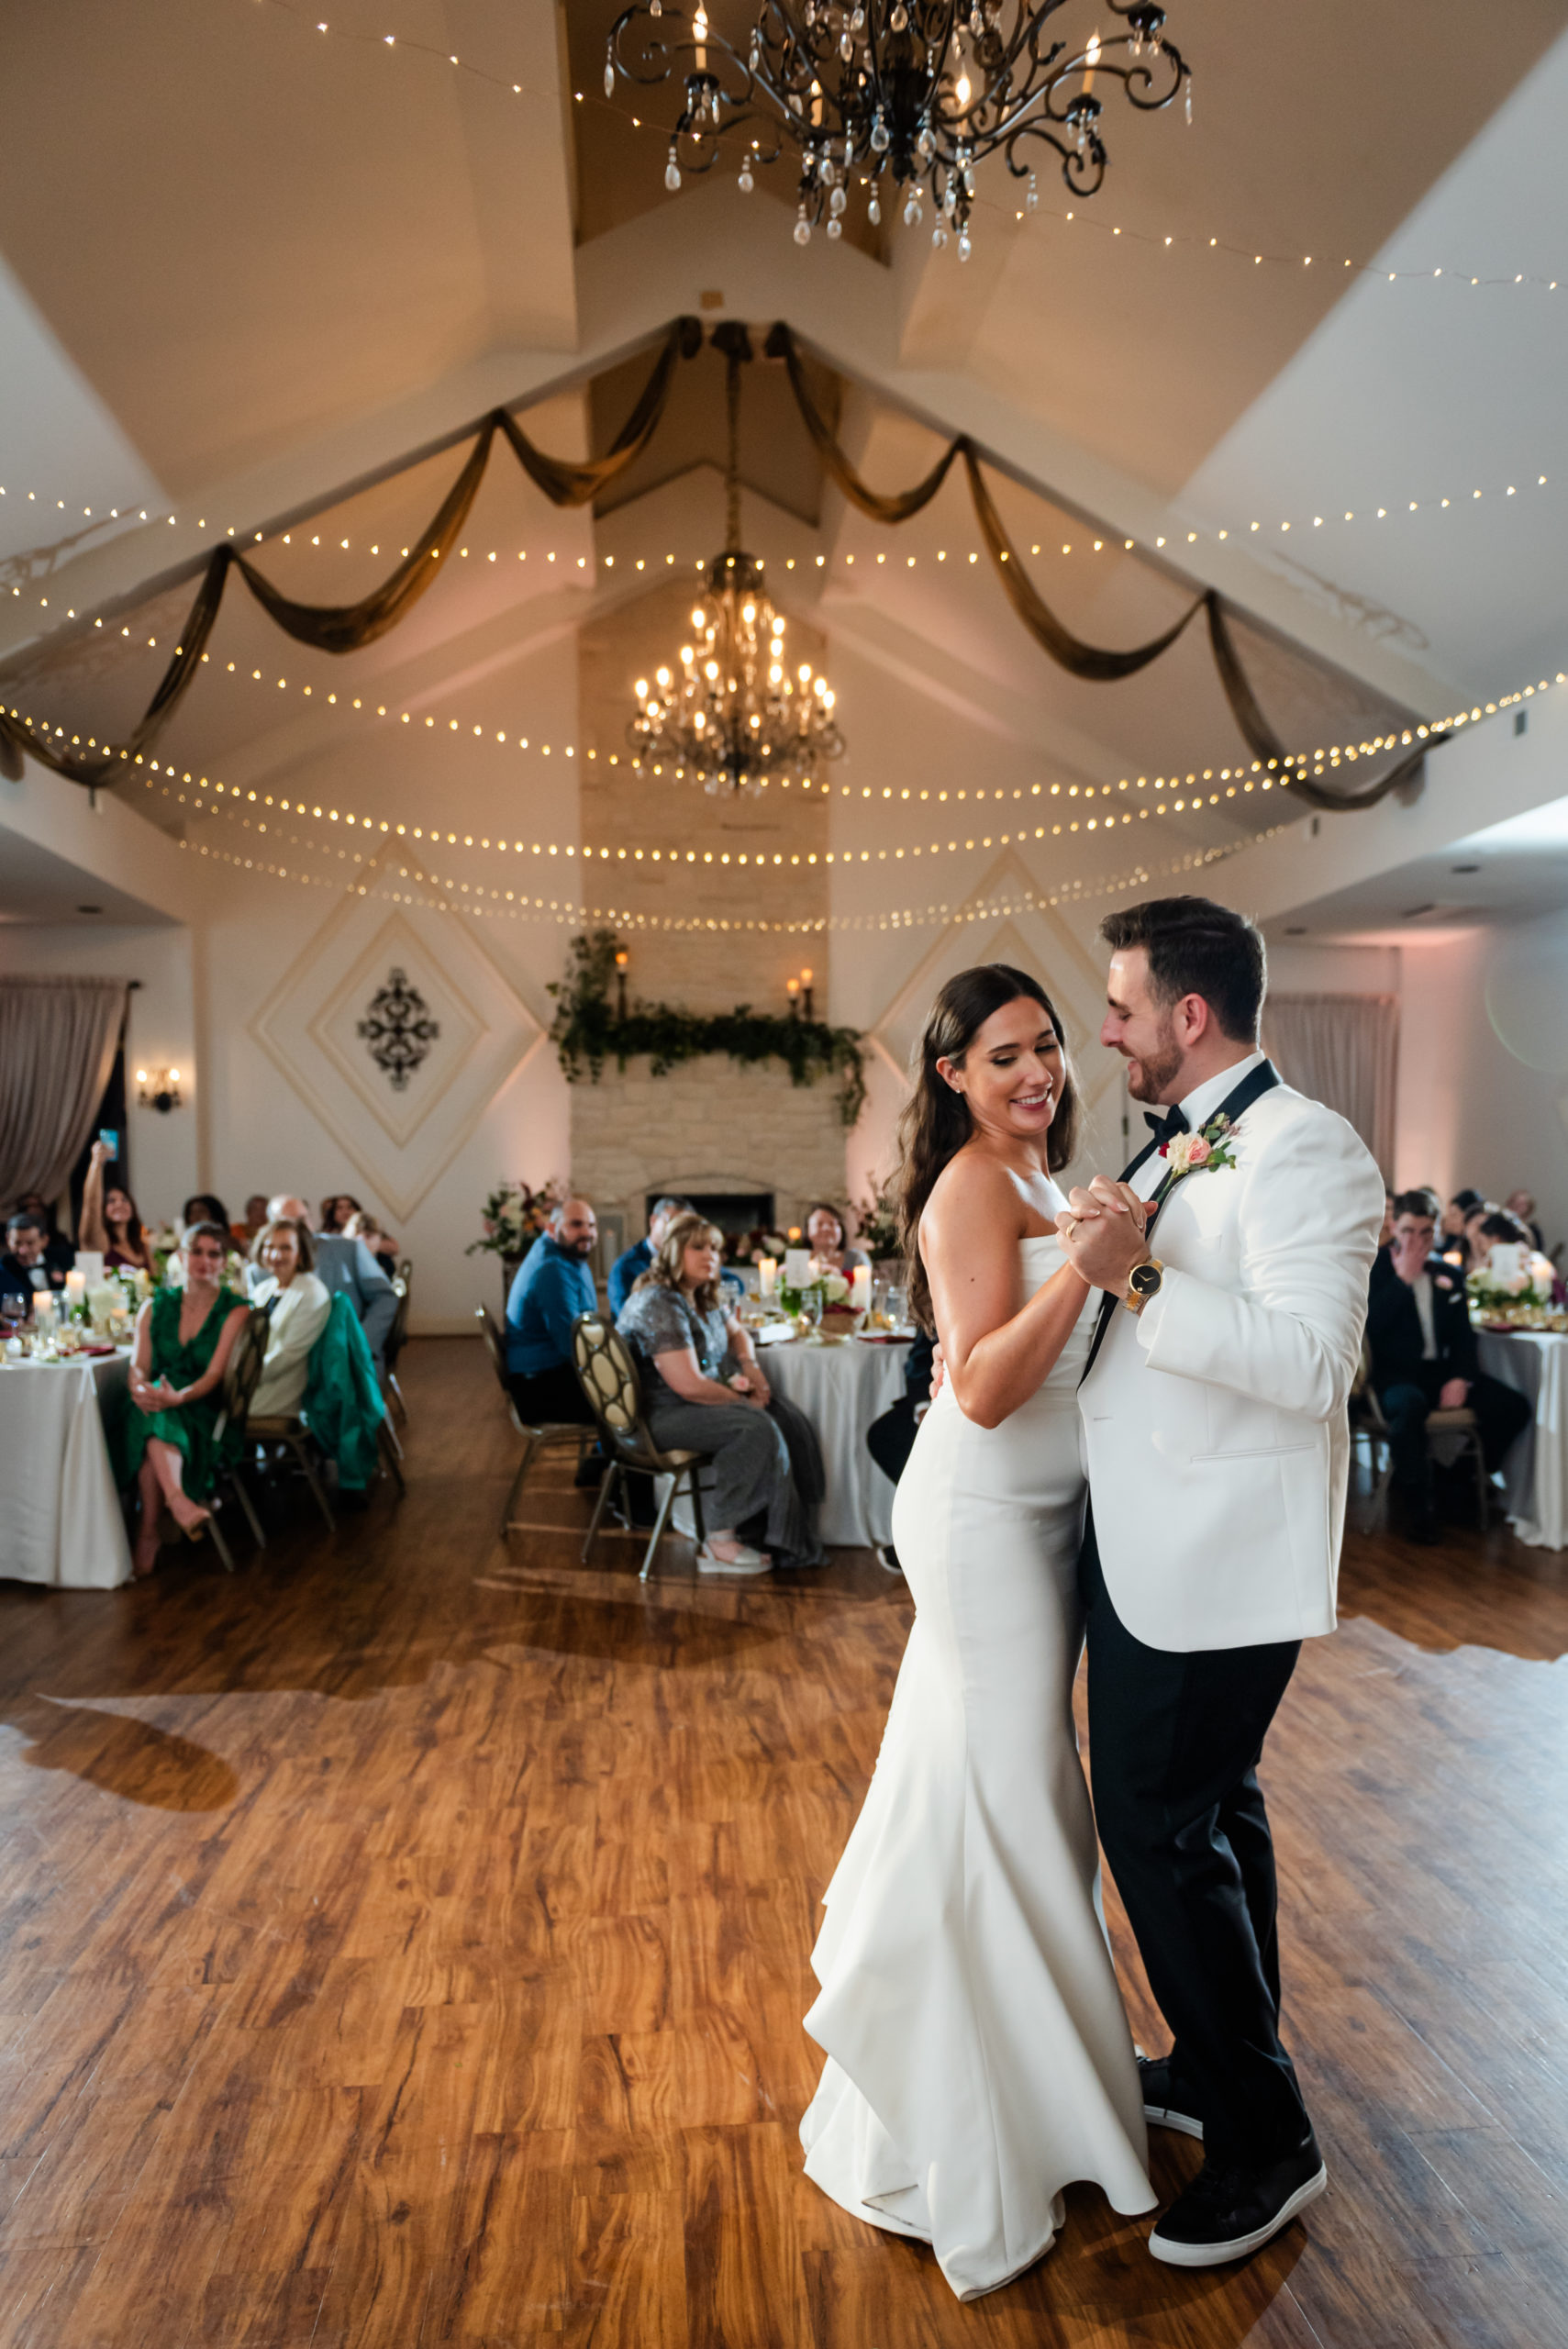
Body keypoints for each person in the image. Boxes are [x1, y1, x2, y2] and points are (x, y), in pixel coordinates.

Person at [800, 965, 1154, 2299]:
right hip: (984, 1517)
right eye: (1004, 1055)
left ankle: (1018, 2092)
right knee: (1012, 1798)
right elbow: (985, 1386)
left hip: (1045, 1523)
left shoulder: (1049, 1181)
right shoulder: (969, 1186)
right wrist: (1091, 1271)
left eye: (1049, 1048)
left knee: (1004, 1798)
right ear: (951, 1074)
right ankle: (976, 2126)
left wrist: (1105, 1250)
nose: (1035, 1073)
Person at [1051, 895, 1385, 2268]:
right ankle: (1213, 2058)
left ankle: (1268, 2139)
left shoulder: (1309, 1148)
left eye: (1122, 1006)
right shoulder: (1188, 1141)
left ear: (1191, 1015)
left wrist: (1132, 1277)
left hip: (1215, 1564)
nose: (1109, 1031)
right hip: (1145, 1542)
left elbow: (1315, 1367)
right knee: (1211, 1818)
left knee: (1159, 1831)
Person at [617, 1212, 820, 1575]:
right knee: (754, 1426)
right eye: (698, 1247)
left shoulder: (701, 1295)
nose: (710, 1255)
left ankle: (775, 1535)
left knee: (786, 1416)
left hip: (686, 1403)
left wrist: (749, 1365)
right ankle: (719, 1541)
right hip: (657, 1415)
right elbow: (689, 1384)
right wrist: (743, 1401)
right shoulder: (659, 1302)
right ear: (673, 1252)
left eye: (714, 1247)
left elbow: (738, 1332)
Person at [1366, 1192, 1532, 1543]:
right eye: (1409, 1231)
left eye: (1427, 1232)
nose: (1418, 1241)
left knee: (1512, 1407)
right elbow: (1369, 1332)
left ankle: (1455, 1482)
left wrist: (1460, 1377)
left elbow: (1463, 1338)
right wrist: (1402, 1282)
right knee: (1408, 1408)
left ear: (1437, 1231)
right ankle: (1418, 1507)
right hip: (1394, 1375)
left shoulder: (1448, 1272)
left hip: (1438, 1373)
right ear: (1395, 1227)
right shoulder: (1374, 1269)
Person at [107, 1222, 250, 1577]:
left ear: (224, 1261)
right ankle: (178, 1504)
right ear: (181, 1258)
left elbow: (215, 1376)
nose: (204, 1260)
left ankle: (149, 1531)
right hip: (155, 1399)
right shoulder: (154, 1307)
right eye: (196, 1252)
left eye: (213, 1253)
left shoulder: (236, 1311)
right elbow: (138, 1367)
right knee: (149, 1413)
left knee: (152, 1422)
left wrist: (177, 1397)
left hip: (202, 1407)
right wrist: (142, 1388)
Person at [269, 1193, 395, 1374]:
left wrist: (362, 1341)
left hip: (346, 1352)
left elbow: (385, 1298)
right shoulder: (261, 1268)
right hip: (288, 1361)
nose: (302, 1226)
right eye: (290, 1222)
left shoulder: (348, 1248)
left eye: (304, 1218)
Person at [504, 1195, 599, 1426]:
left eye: (591, 1225)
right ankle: (604, 1460)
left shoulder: (565, 1256)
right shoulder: (553, 1270)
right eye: (576, 1224)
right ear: (550, 1228)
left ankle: (604, 1458)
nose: (587, 1232)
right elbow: (570, 1343)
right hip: (539, 1388)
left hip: (548, 1372)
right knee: (635, 1403)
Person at [863, 1327, 933, 1574]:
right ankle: (928, 1535)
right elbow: (921, 1356)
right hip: (939, 1394)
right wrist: (924, 1408)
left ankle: (926, 1539)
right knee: (884, 1435)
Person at [248, 1218, 332, 1420]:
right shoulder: (264, 1289)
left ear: (300, 1254)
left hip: (281, 1390)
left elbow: (288, 1355)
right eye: (269, 1247)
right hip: (256, 1380)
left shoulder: (311, 1293)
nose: (276, 1255)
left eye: (285, 1248)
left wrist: (240, 1375)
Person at [80, 1139, 156, 1274]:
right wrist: (96, 1163)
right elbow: (91, 1207)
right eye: (111, 1201)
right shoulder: (101, 1243)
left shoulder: (141, 1244)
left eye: (125, 1199)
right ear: (102, 1209)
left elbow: (155, 1279)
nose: (119, 1204)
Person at [607, 1196, 691, 1317]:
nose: (676, 1232)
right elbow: (624, 1315)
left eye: (683, 1227)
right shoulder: (626, 1265)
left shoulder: (690, 1261)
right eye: (671, 1222)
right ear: (653, 1221)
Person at [1, 1210, 63, 1310]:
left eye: (30, 1243)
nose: (23, 1251)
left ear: (44, 1240)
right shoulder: (3, 1269)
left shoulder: (63, 1259)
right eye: (17, 1243)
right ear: (8, 1239)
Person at [806, 1201, 869, 1275]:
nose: (826, 1228)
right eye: (820, 1224)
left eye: (832, 1224)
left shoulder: (856, 1259)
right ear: (807, 1229)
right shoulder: (798, 1260)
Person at [344, 1208, 399, 1279]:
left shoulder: (385, 1262)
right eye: (356, 1235)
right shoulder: (343, 1262)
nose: (362, 1241)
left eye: (368, 1236)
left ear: (380, 1238)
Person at [1505, 1188, 1545, 1252]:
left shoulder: (1533, 1230)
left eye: (1522, 1204)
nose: (1517, 1205)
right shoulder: (1498, 1223)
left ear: (1529, 1208)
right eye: (1514, 1202)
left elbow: (1536, 1251)